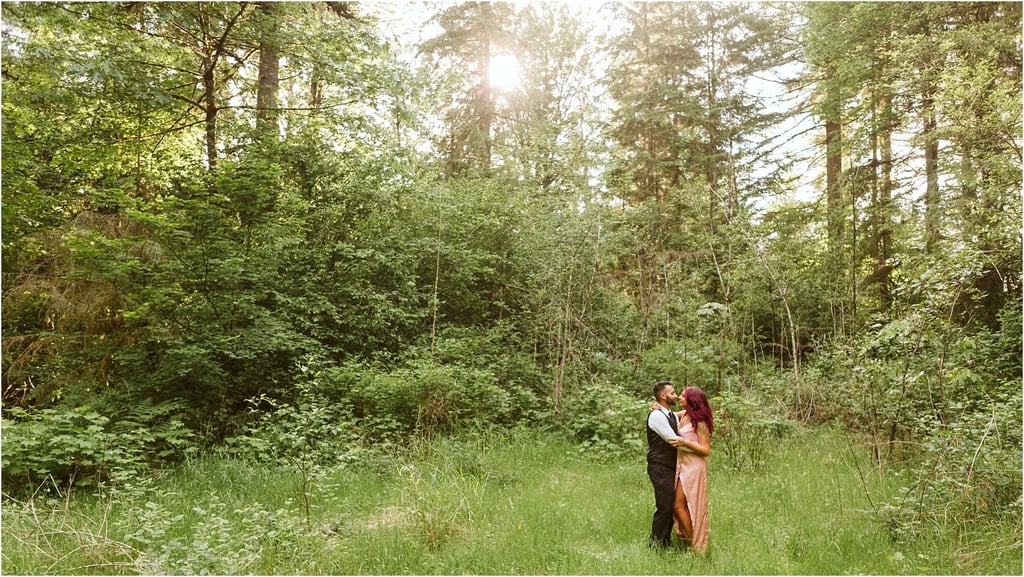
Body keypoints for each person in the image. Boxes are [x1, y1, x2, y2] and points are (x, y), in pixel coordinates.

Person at [671, 387, 713, 552]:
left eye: (683, 395)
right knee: (680, 505)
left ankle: (695, 545)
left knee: (680, 505)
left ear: (692, 400)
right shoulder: (686, 414)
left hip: (694, 466)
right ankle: (689, 542)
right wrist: (656, 407)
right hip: (683, 463)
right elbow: (670, 416)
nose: (680, 398)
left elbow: (706, 450)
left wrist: (685, 443)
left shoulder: (700, 422)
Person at [645, 380, 685, 548]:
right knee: (665, 505)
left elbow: (680, 415)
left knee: (670, 504)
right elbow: (673, 440)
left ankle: (665, 541)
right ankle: (657, 544)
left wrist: (697, 408)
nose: (675, 395)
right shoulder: (656, 416)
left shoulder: (670, 414)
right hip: (660, 466)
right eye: (673, 393)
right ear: (663, 396)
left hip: (671, 466)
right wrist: (699, 450)